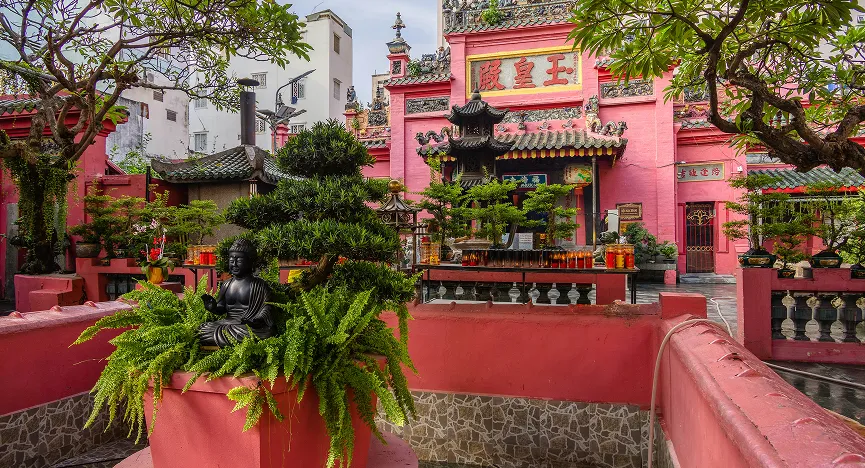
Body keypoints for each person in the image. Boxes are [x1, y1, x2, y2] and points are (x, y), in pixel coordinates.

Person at [197, 239, 276, 347]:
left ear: (250, 261)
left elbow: (267, 307)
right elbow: (222, 307)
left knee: (264, 332)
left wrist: (257, 320)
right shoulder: (227, 284)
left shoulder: (259, 285)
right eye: (231, 260)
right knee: (201, 329)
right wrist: (213, 308)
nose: (234, 264)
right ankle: (227, 338)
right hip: (228, 323)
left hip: (247, 326)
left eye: (239, 260)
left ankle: (225, 338)